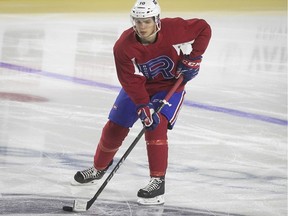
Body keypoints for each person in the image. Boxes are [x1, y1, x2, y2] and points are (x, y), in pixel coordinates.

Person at [72, 0, 211, 205]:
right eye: (137, 21)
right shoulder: (123, 45)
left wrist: (195, 57)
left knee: (156, 125)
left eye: (146, 21)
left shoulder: (174, 29)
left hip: (169, 86)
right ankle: (98, 169)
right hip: (140, 87)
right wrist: (142, 105)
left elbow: (203, 28)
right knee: (114, 126)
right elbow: (129, 79)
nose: (142, 26)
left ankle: (157, 183)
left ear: (156, 20)